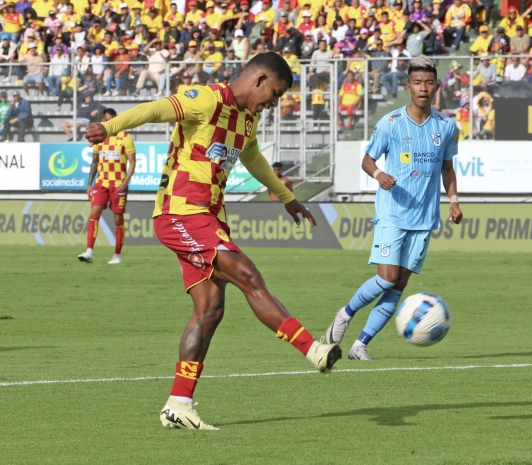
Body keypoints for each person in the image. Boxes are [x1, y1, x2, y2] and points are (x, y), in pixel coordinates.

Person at [84, 52, 342, 430]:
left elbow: (252, 159)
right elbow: (155, 110)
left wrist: (288, 198)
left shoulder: (247, 119)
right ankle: (313, 349)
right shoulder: (206, 99)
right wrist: (109, 128)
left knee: (210, 310)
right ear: (259, 79)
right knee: (248, 275)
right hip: (180, 213)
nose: (274, 103)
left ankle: (179, 404)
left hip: (209, 217)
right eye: (275, 93)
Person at [324, 56, 462, 360]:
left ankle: (361, 345)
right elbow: (367, 159)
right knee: (386, 278)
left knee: (398, 286)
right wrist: (378, 174)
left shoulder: (446, 127)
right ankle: (346, 313)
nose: (423, 88)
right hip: (393, 214)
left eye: (428, 83)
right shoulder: (391, 123)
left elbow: (447, 168)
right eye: (417, 83)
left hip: (425, 219)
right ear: (408, 86)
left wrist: (453, 201)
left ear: (437, 87)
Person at [77, 109, 136, 265]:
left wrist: (126, 181)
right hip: (101, 183)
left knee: (118, 218)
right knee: (94, 213)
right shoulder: (99, 139)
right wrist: (89, 184)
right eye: (106, 119)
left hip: (118, 185)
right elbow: (95, 161)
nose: (108, 122)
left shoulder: (125, 138)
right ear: (103, 120)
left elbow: (132, 162)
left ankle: (117, 255)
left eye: (111, 119)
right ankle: (89, 252)